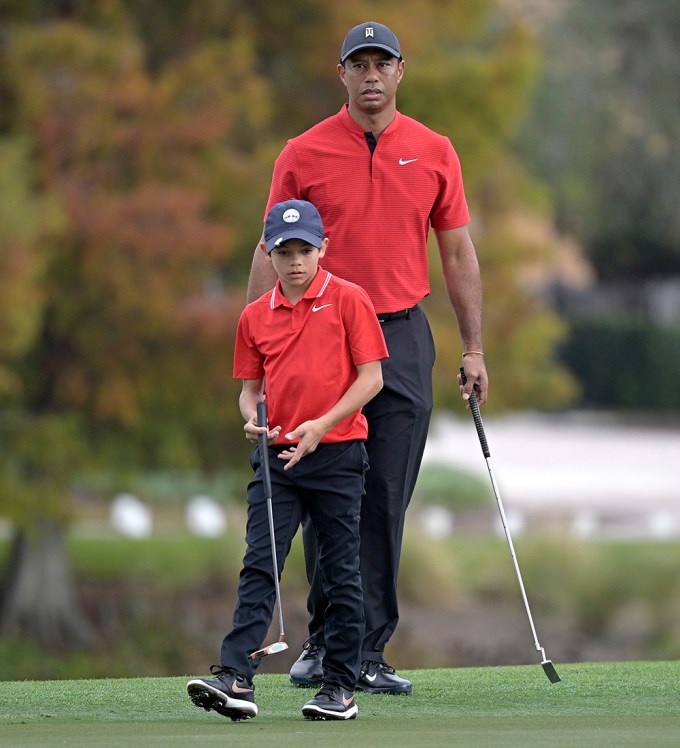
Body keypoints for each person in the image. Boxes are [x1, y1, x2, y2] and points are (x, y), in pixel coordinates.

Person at [246, 21, 489, 696]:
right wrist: (259, 358)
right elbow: (270, 253)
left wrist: (473, 348)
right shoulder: (303, 153)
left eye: (384, 63)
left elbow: (459, 253)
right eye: (361, 64)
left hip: (404, 338)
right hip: (321, 340)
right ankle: (328, 647)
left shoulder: (436, 151)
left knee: (384, 497)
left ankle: (363, 652)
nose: (373, 74)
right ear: (343, 74)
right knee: (331, 494)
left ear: (401, 72)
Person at [187, 199, 388, 722]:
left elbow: (372, 379)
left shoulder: (349, 300)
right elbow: (250, 390)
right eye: (284, 251)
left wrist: (321, 427)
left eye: (305, 250)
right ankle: (235, 676)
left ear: (323, 248)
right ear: (267, 254)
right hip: (277, 456)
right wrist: (251, 417)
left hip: (339, 452)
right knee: (261, 563)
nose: (295, 260)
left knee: (340, 571)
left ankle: (340, 687)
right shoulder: (255, 316)